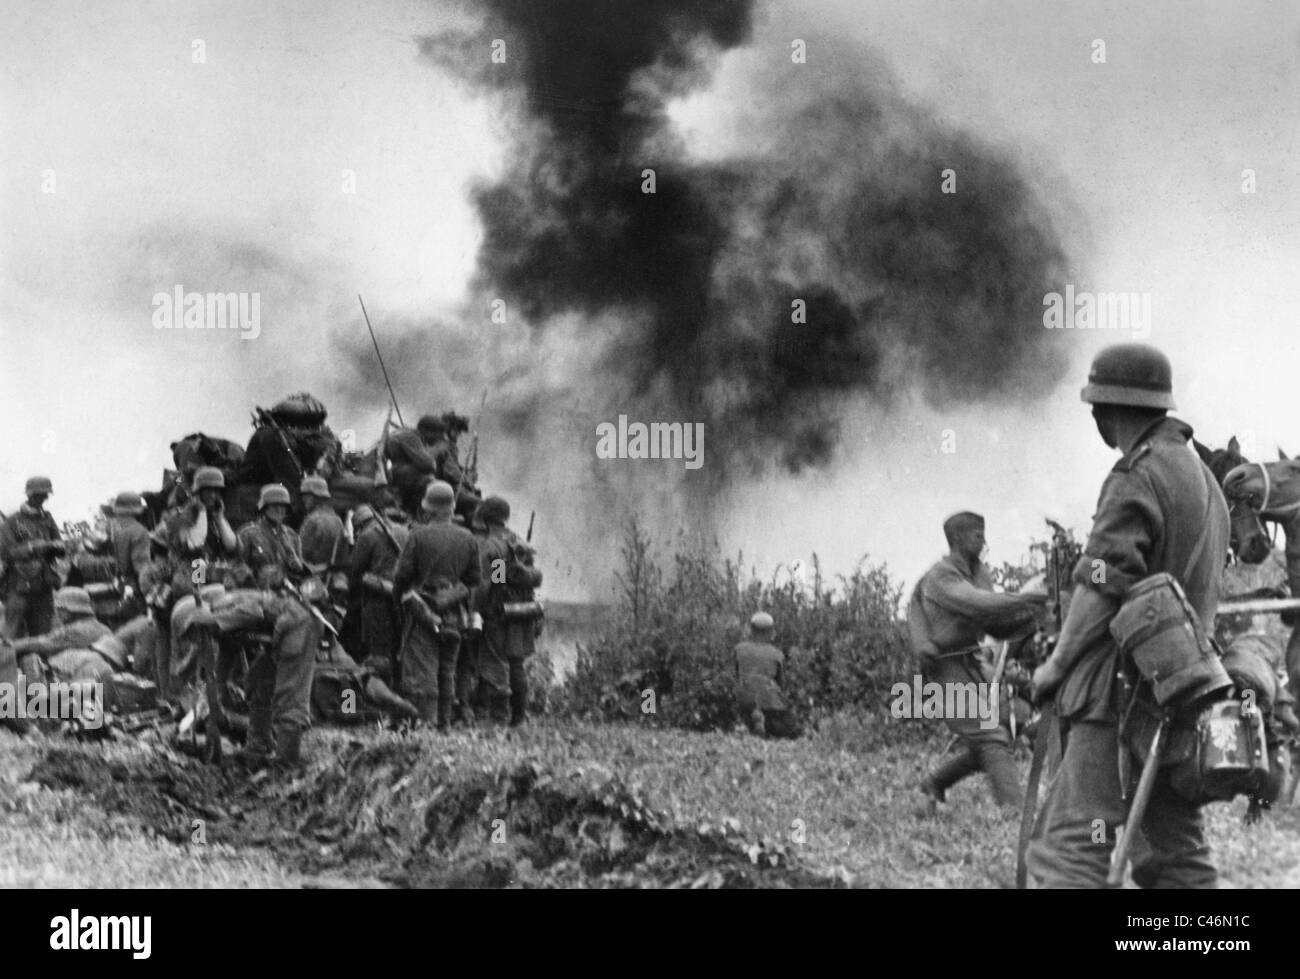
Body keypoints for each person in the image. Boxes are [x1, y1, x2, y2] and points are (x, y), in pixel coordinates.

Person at [1026, 343, 1229, 888]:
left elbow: (1102, 580)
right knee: (1174, 857)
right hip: (1178, 695)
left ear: (1108, 408)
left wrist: (1057, 664)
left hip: (1118, 697)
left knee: (1069, 849)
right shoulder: (1205, 481)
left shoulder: (1136, 475)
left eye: (1097, 405)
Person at [908, 512, 1041, 809]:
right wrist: (1032, 598)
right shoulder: (941, 577)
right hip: (945, 668)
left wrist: (1034, 619)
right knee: (990, 735)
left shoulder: (978, 573)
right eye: (977, 536)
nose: (983, 542)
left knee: (993, 737)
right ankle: (1014, 812)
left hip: (971, 665)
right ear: (957, 539)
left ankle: (934, 783)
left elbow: (995, 625)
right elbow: (978, 603)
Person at [391, 481, 481, 729]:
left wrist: (399, 604)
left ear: (428, 509)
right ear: (452, 508)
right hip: (455, 614)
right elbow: (475, 581)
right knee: (448, 670)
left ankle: (426, 726)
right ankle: (445, 725)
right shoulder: (469, 538)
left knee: (423, 671)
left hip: (423, 613)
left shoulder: (417, 536)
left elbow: (401, 577)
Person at [474, 496, 542, 726]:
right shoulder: (518, 542)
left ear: (485, 518)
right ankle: (519, 717)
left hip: (500, 612)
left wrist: (477, 608)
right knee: (516, 664)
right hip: (522, 611)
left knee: (497, 664)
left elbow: (492, 581)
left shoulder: (493, 545)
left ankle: (500, 717)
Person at [346, 504, 409, 686]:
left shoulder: (367, 536)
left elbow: (355, 572)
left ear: (359, 525)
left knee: (380, 651)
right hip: (402, 599)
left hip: (377, 601)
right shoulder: (402, 531)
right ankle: (399, 689)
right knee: (399, 646)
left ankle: (381, 693)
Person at [1, 476, 64, 639]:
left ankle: (40, 663)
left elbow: (60, 545)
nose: (42, 499)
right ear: (29, 495)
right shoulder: (12, 521)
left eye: (44, 496)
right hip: (19, 583)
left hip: (44, 583)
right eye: (38, 495)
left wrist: (56, 546)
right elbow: (7, 551)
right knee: (12, 632)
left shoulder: (48, 519)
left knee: (43, 633)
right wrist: (35, 547)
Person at [734, 612, 800, 738]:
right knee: (789, 726)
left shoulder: (739, 649)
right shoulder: (777, 654)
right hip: (769, 701)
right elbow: (781, 684)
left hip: (744, 698)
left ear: (751, 629)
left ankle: (754, 720)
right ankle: (763, 723)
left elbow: (736, 675)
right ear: (770, 632)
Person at [235, 484, 309, 590]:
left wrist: (291, 554)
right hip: (257, 593)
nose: (279, 509)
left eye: (282, 506)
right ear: (264, 507)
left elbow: (299, 570)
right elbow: (238, 566)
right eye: (274, 505)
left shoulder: (291, 535)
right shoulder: (248, 534)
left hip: (288, 593)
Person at [385, 415, 444, 517]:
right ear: (426, 431)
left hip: (397, 472)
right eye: (437, 434)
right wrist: (436, 452)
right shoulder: (411, 437)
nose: (438, 439)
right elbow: (427, 464)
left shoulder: (411, 436)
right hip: (398, 474)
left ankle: (414, 510)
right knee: (431, 481)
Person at [298, 475, 346, 576]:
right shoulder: (337, 520)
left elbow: (301, 555)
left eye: (307, 496)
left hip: (313, 578)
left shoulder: (312, 520)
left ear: (316, 497)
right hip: (332, 576)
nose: (303, 500)